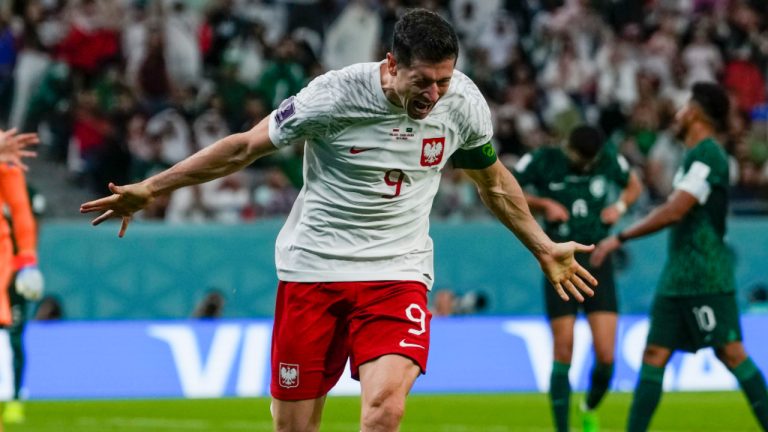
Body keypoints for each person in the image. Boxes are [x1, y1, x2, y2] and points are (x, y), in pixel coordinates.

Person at [81, 9, 597, 432]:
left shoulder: (462, 103)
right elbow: (242, 149)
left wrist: (543, 245)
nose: (434, 94)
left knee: (385, 411)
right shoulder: (333, 96)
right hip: (314, 271)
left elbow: (494, 183)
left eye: (443, 80)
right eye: (423, 81)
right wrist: (152, 187)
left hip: (397, 274)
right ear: (392, 65)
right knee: (295, 428)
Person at [591, 82, 768, 432]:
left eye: (684, 106)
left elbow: (676, 211)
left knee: (731, 352)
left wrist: (620, 237)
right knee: (653, 355)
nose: (677, 113)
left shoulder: (709, 155)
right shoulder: (692, 157)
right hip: (677, 279)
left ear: (697, 113)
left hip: (705, 275)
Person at [514, 124, 642, 432]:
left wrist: (620, 206)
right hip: (560, 262)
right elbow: (508, 189)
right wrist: (543, 204)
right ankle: (562, 428)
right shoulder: (543, 160)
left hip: (598, 262)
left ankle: (589, 407)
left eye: (589, 160)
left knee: (607, 356)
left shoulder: (608, 158)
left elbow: (633, 185)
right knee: (563, 348)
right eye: (579, 158)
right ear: (567, 146)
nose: (584, 165)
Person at [0, 135, 44, 426]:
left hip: (6, 265)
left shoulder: (5, 162)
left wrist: (27, 260)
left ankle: (14, 399)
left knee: (13, 338)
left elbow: (20, 208)